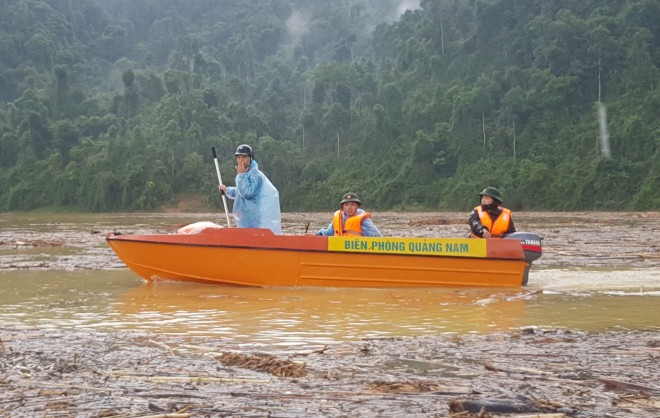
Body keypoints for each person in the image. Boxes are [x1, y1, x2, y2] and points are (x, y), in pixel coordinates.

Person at [218, 144, 282, 234]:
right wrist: (227, 190)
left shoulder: (255, 175)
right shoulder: (246, 173)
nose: (241, 160)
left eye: (244, 157)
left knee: (256, 236)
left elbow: (246, 193)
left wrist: (241, 176)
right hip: (248, 218)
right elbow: (240, 191)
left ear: (251, 158)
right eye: (238, 157)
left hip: (256, 218)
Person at [316, 192, 383, 237]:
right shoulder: (339, 217)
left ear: (357, 206)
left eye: (352, 205)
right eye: (346, 205)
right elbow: (329, 232)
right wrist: (319, 234)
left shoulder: (364, 220)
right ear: (343, 207)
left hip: (357, 251)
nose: (349, 208)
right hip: (339, 250)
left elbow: (376, 236)